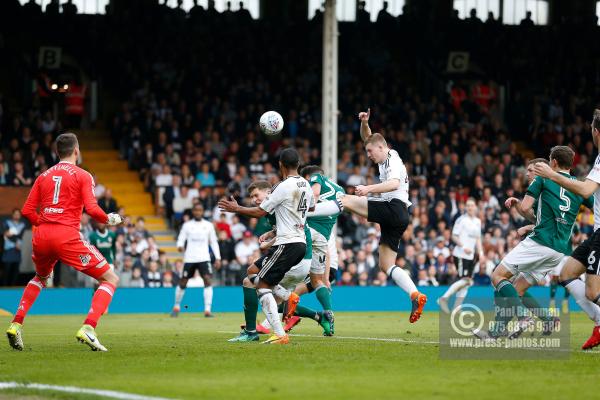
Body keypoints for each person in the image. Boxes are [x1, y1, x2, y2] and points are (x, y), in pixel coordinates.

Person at [6, 133, 123, 352]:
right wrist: (110, 219)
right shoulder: (83, 175)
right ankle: (89, 327)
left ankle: (16, 323)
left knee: (40, 277)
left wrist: (46, 222)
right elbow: (93, 209)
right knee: (110, 278)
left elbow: (27, 211)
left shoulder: (43, 176)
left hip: (41, 235)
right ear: (77, 151)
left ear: (57, 152)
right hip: (66, 236)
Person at [308, 109, 427, 323]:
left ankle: (308, 212)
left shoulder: (392, 163)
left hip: (393, 207)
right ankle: (415, 295)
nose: (368, 156)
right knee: (386, 265)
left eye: (371, 152)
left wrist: (368, 189)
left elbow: (394, 184)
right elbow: (369, 138)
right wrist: (364, 123)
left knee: (343, 199)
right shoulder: (388, 154)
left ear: (382, 148)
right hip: (400, 216)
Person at [474, 146, 593, 341]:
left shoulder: (544, 179)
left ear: (553, 163)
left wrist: (520, 207)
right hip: (559, 250)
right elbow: (593, 206)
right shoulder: (579, 187)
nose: (529, 172)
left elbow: (527, 208)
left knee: (498, 276)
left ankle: (523, 316)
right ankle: (496, 333)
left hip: (540, 242)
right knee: (517, 289)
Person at [219, 148, 314, 344]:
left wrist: (237, 209)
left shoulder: (283, 186)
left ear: (281, 165)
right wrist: (276, 229)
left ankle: (280, 334)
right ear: (299, 164)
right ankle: (286, 296)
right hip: (299, 243)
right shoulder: (305, 184)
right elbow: (310, 207)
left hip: (287, 243)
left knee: (262, 285)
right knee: (252, 271)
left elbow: (260, 212)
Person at [532, 110, 600, 349]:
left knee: (592, 292)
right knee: (567, 273)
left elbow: (584, 191)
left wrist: (552, 174)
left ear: (595, 130)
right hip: (596, 233)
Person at [172, 203, 221, 318]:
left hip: (204, 258)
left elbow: (213, 242)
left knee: (208, 280)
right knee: (183, 281)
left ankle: (207, 310)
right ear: (193, 212)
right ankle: (176, 306)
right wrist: (179, 246)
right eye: (196, 210)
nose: (198, 212)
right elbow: (181, 238)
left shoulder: (208, 225)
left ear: (202, 212)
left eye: (200, 210)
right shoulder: (187, 225)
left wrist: (218, 257)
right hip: (190, 258)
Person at [438, 198, 483, 313]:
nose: (470, 207)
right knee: (467, 280)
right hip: (460, 254)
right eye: (468, 205)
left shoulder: (478, 221)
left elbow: (478, 238)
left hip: (471, 256)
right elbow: (454, 236)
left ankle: (456, 307)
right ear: (465, 208)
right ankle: (443, 299)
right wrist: (463, 247)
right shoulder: (461, 220)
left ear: (475, 207)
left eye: (472, 205)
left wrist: (481, 253)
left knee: (467, 283)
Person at [2, 209, 26, 286]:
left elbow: (21, 236)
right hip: (8, 250)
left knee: (15, 272)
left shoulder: (22, 225)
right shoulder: (7, 223)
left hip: (17, 251)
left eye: (18, 214)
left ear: (20, 216)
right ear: (12, 215)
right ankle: (4, 289)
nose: (16, 215)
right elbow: (6, 234)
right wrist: (16, 241)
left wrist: (18, 243)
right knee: (6, 271)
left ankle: (13, 289)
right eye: (15, 214)